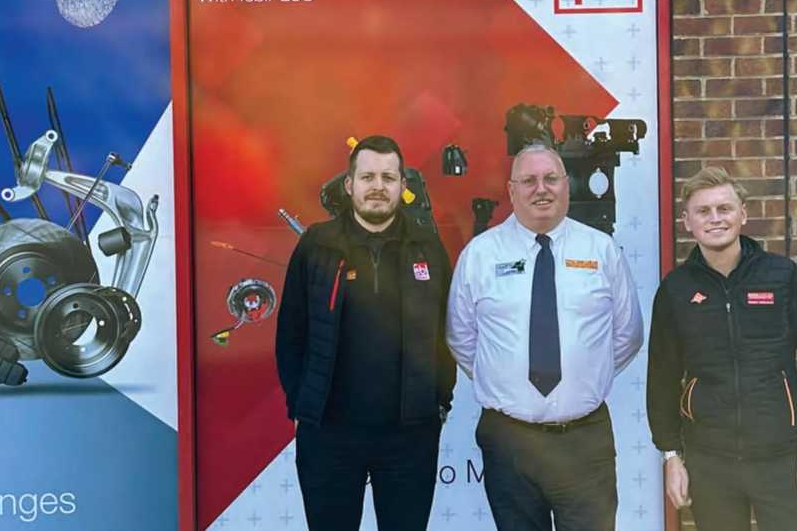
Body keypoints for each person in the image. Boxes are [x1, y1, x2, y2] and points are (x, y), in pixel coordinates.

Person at [446, 143, 643, 531]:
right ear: (511, 190)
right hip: (509, 440)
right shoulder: (480, 255)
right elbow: (461, 338)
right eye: (530, 180)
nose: (542, 189)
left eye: (551, 178)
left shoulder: (601, 250)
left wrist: (581, 376)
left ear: (566, 186)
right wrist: (505, 379)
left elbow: (627, 335)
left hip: (584, 441)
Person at [646, 166, 797, 530]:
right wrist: (671, 456)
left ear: (743, 214)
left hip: (780, 457)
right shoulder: (676, 290)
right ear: (687, 221)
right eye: (703, 211)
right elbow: (661, 378)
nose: (715, 218)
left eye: (724, 208)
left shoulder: (780, 277)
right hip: (709, 462)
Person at [274, 135, 455, 531]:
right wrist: (300, 406)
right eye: (368, 176)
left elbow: (448, 331)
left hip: (409, 436)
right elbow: (291, 333)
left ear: (403, 188)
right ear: (349, 184)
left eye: (389, 177)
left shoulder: (427, 246)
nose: (378, 186)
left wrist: (440, 400)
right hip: (329, 435)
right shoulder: (316, 245)